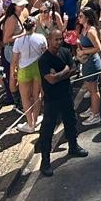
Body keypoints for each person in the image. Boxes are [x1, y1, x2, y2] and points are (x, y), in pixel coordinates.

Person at [36, 29, 89, 177]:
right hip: (52, 99)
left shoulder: (65, 52)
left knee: (71, 121)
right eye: (56, 40)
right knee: (48, 130)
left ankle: (73, 146)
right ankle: (45, 160)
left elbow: (73, 69)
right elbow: (50, 79)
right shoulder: (44, 60)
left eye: (61, 39)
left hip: (66, 94)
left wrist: (60, 73)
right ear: (49, 40)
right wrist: (64, 71)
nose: (59, 42)